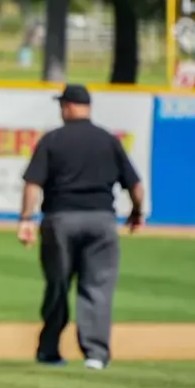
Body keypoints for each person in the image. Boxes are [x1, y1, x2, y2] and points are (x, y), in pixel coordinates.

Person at [19, 84, 145, 370]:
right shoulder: (108, 141)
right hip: (101, 220)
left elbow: (32, 183)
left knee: (58, 285)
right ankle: (96, 354)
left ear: (68, 107)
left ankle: (49, 350)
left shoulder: (53, 140)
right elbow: (135, 185)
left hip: (60, 219)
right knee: (97, 287)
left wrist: (26, 219)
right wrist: (137, 213)